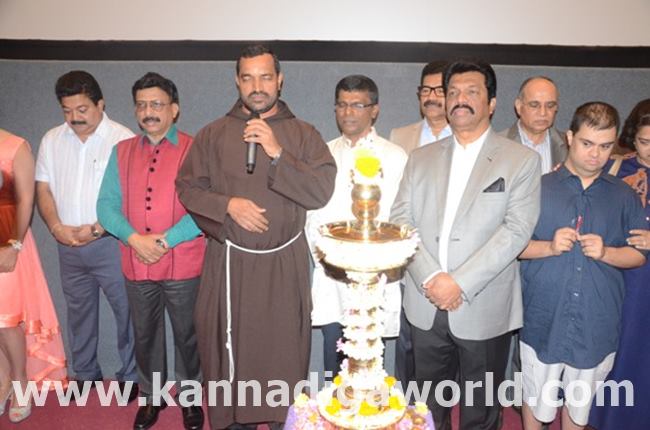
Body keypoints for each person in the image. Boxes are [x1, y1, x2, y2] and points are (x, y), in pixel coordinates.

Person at [176, 45, 336, 429]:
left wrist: (277, 152)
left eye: (265, 77)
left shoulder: (304, 134)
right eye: (248, 78)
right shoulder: (213, 134)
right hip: (230, 265)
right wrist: (227, 205)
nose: (257, 86)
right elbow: (188, 188)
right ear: (237, 81)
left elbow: (321, 191)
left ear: (280, 80)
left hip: (284, 266)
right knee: (231, 353)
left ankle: (282, 420)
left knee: (283, 351)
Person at [390, 60, 541, 430]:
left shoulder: (520, 160)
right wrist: (431, 277)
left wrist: (458, 282)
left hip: (484, 304)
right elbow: (400, 221)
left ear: (492, 103)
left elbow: (516, 231)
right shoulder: (420, 158)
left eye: (472, 92)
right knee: (427, 407)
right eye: (453, 92)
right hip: (425, 301)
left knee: (481, 410)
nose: (460, 99)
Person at [519, 102, 647, 430]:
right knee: (535, 399)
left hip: (596, 323)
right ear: (570, 137)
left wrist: (606, 253)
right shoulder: (537, 187)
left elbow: (638, 255)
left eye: (605, 146)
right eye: (587, 143)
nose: (595, 155)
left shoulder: (624, 195)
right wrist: (548, 247)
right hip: (543, 318)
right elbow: (512, 248)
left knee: (578, 410)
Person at [97, 72, 205, 430]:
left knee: (188, 335)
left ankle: (190, 399)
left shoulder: (195, 150)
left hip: (183, 262)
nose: (148, 112)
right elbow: (106, 206)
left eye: (157, 104)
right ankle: (152, 397)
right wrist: (133, 239)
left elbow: (204, 207)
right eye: (141, 105)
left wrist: (164, 241)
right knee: (145, 335)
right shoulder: (121, 151)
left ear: (174, 109)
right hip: (136, 261)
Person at [35, 71, 138, 396]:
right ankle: (86, 374)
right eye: (67, 111)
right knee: (78, 314)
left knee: (126, 312)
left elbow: (131, 195)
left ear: (100, 104)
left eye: (82, 109)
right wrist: (56, 228)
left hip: (111, 243)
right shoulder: (52, 139)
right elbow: (43, 189)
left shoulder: (122, 139)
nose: (74, 118)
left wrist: (97, 228)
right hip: (67, 244)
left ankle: (131, 376)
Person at [305, 75, 407, 380]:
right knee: (333, 359)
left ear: (374, 110)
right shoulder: (322, 154)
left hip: (375, 279)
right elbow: (312, 215)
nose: (348, 112)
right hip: (332, 274)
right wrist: (326, 259)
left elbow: (399, 218)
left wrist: (373, 266)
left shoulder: (395, 156)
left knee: (369, 361)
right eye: (342, 104)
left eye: (357, 105)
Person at [589, 99, 650, 429]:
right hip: (616, 277)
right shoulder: (612, 168)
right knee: (614, 350)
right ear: (631, 136)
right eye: (644, 141)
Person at [0, 129, 67, 423]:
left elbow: (26, 200)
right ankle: (3, 381)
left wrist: (13, 245)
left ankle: (20, 383)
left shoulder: (17, 147)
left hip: (7, 237)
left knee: (6, 320)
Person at [499, 76, 567, 174]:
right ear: (518, 106)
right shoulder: (497, 145)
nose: (543, 113)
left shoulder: (570, 146)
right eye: (534, 105)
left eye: (550, 105)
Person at [389, 60, 451, 154]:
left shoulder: (465, 135)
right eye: (426, 90)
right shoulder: (399, 137)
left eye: (439, 91)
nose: (431, 97)